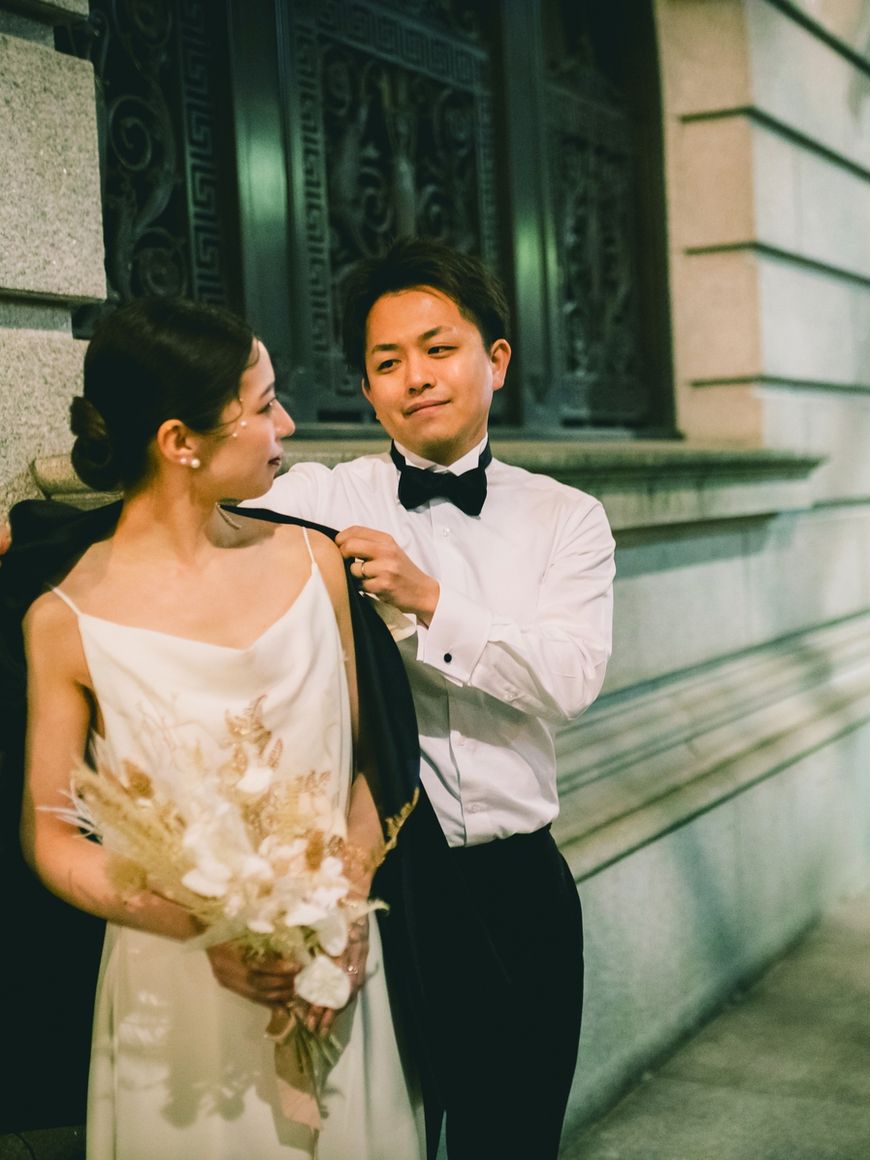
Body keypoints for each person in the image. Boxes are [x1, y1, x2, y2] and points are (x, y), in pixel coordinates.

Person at [17, 298, 424, 1158]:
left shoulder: (315, 561)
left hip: (334, 967)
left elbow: (368, 762)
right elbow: (50, 835)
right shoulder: (64, 619)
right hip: (173, 995)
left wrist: (347, 906)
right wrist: (199, 928)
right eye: (265, 403)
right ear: (180, 441)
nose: (288, 423)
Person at [243, 235, 616, 1159]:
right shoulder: (323, 495)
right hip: (381, 896)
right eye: (387, 361)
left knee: (512, 1143)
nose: (415, 376)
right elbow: (178, 527)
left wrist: (427, 602)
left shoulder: (566, 517)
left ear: (497, 360)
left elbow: (569, 677)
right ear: (367, 391)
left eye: (439, 348)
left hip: (516, 888)